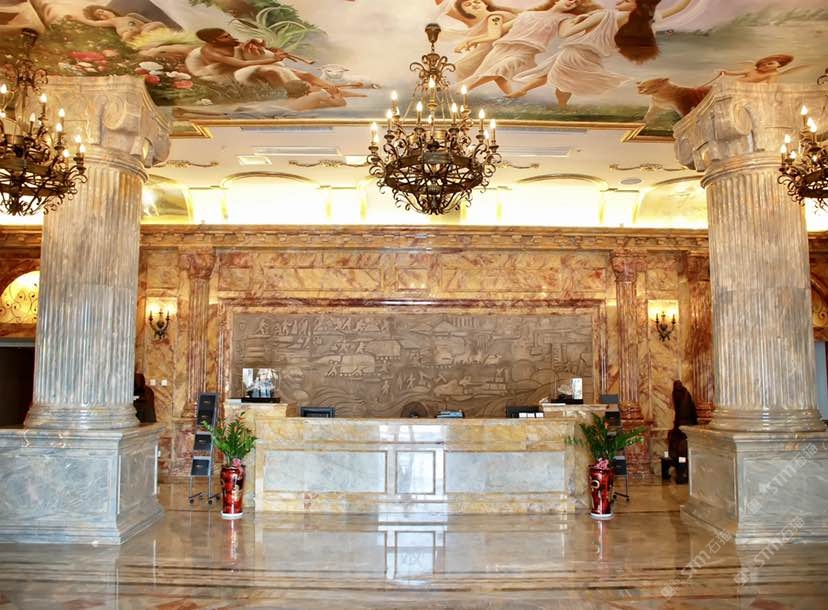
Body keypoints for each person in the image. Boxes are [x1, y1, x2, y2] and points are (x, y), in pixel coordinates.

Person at [509, 0, 697, 105]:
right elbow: (677, 8)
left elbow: (566, 33)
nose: (619, 1)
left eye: (626, 0)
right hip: (590, 57)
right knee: (555, 77)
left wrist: (568, 21)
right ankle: (535, 95)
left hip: (574, 54)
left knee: (559, 81)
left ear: (637, 5)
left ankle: (558, 104)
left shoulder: (606, 15)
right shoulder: (644, 22)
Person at [459, 0, 601, 95]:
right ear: (557, 0)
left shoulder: (566, 18)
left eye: (576, 2)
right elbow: (499, 31)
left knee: (501, 68)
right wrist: (472, 40)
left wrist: (586, 19)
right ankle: (511, 96)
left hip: (526, 50)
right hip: (502, 47)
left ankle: (465, 89)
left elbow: (567, 32)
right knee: (496, 75)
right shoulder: (527, 14)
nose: (572, 2)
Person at [185, 29, 340, 95]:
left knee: (305, 74)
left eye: (228, 34)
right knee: (272, 71)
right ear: (213, 41)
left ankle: (333, 89)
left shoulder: (227, 43)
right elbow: (240, 64)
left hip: (242, 66)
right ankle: (294, 93)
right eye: (225, 37)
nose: (230, 37)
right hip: (224, 74)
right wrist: (274, 59)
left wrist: (259, 44)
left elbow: (255, 47)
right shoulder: (212, 52)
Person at [69, 5, 166, 42]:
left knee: (156, 24)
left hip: (143, 29)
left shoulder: (130, 15)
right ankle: (136, 39)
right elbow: (93, 23)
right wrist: (78, 18)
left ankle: (147, 35)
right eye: (99, 15)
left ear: (107, 10)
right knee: (127, 34)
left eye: (102, 11)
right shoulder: (111, 22)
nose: (102, 14)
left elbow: (147, 22)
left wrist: (146, 27)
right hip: (129, 33)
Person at [667, 380, 697, 482]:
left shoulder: (679, 394)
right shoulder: (685, 394)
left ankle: (681, 474)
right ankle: (683, 473)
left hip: (683, 429)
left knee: (681, 453)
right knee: (682, 453)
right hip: (685, 427)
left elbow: (681, 413)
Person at [720, 54, 803, 84]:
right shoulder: (752, 70)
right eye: (764, 64)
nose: (765, 65)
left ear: (778, 65)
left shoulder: (773, 74)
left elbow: (770, 86)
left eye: (770, 64)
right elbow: (735, 73)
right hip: (734, 85)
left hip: (744, 90)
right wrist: (726, 72)